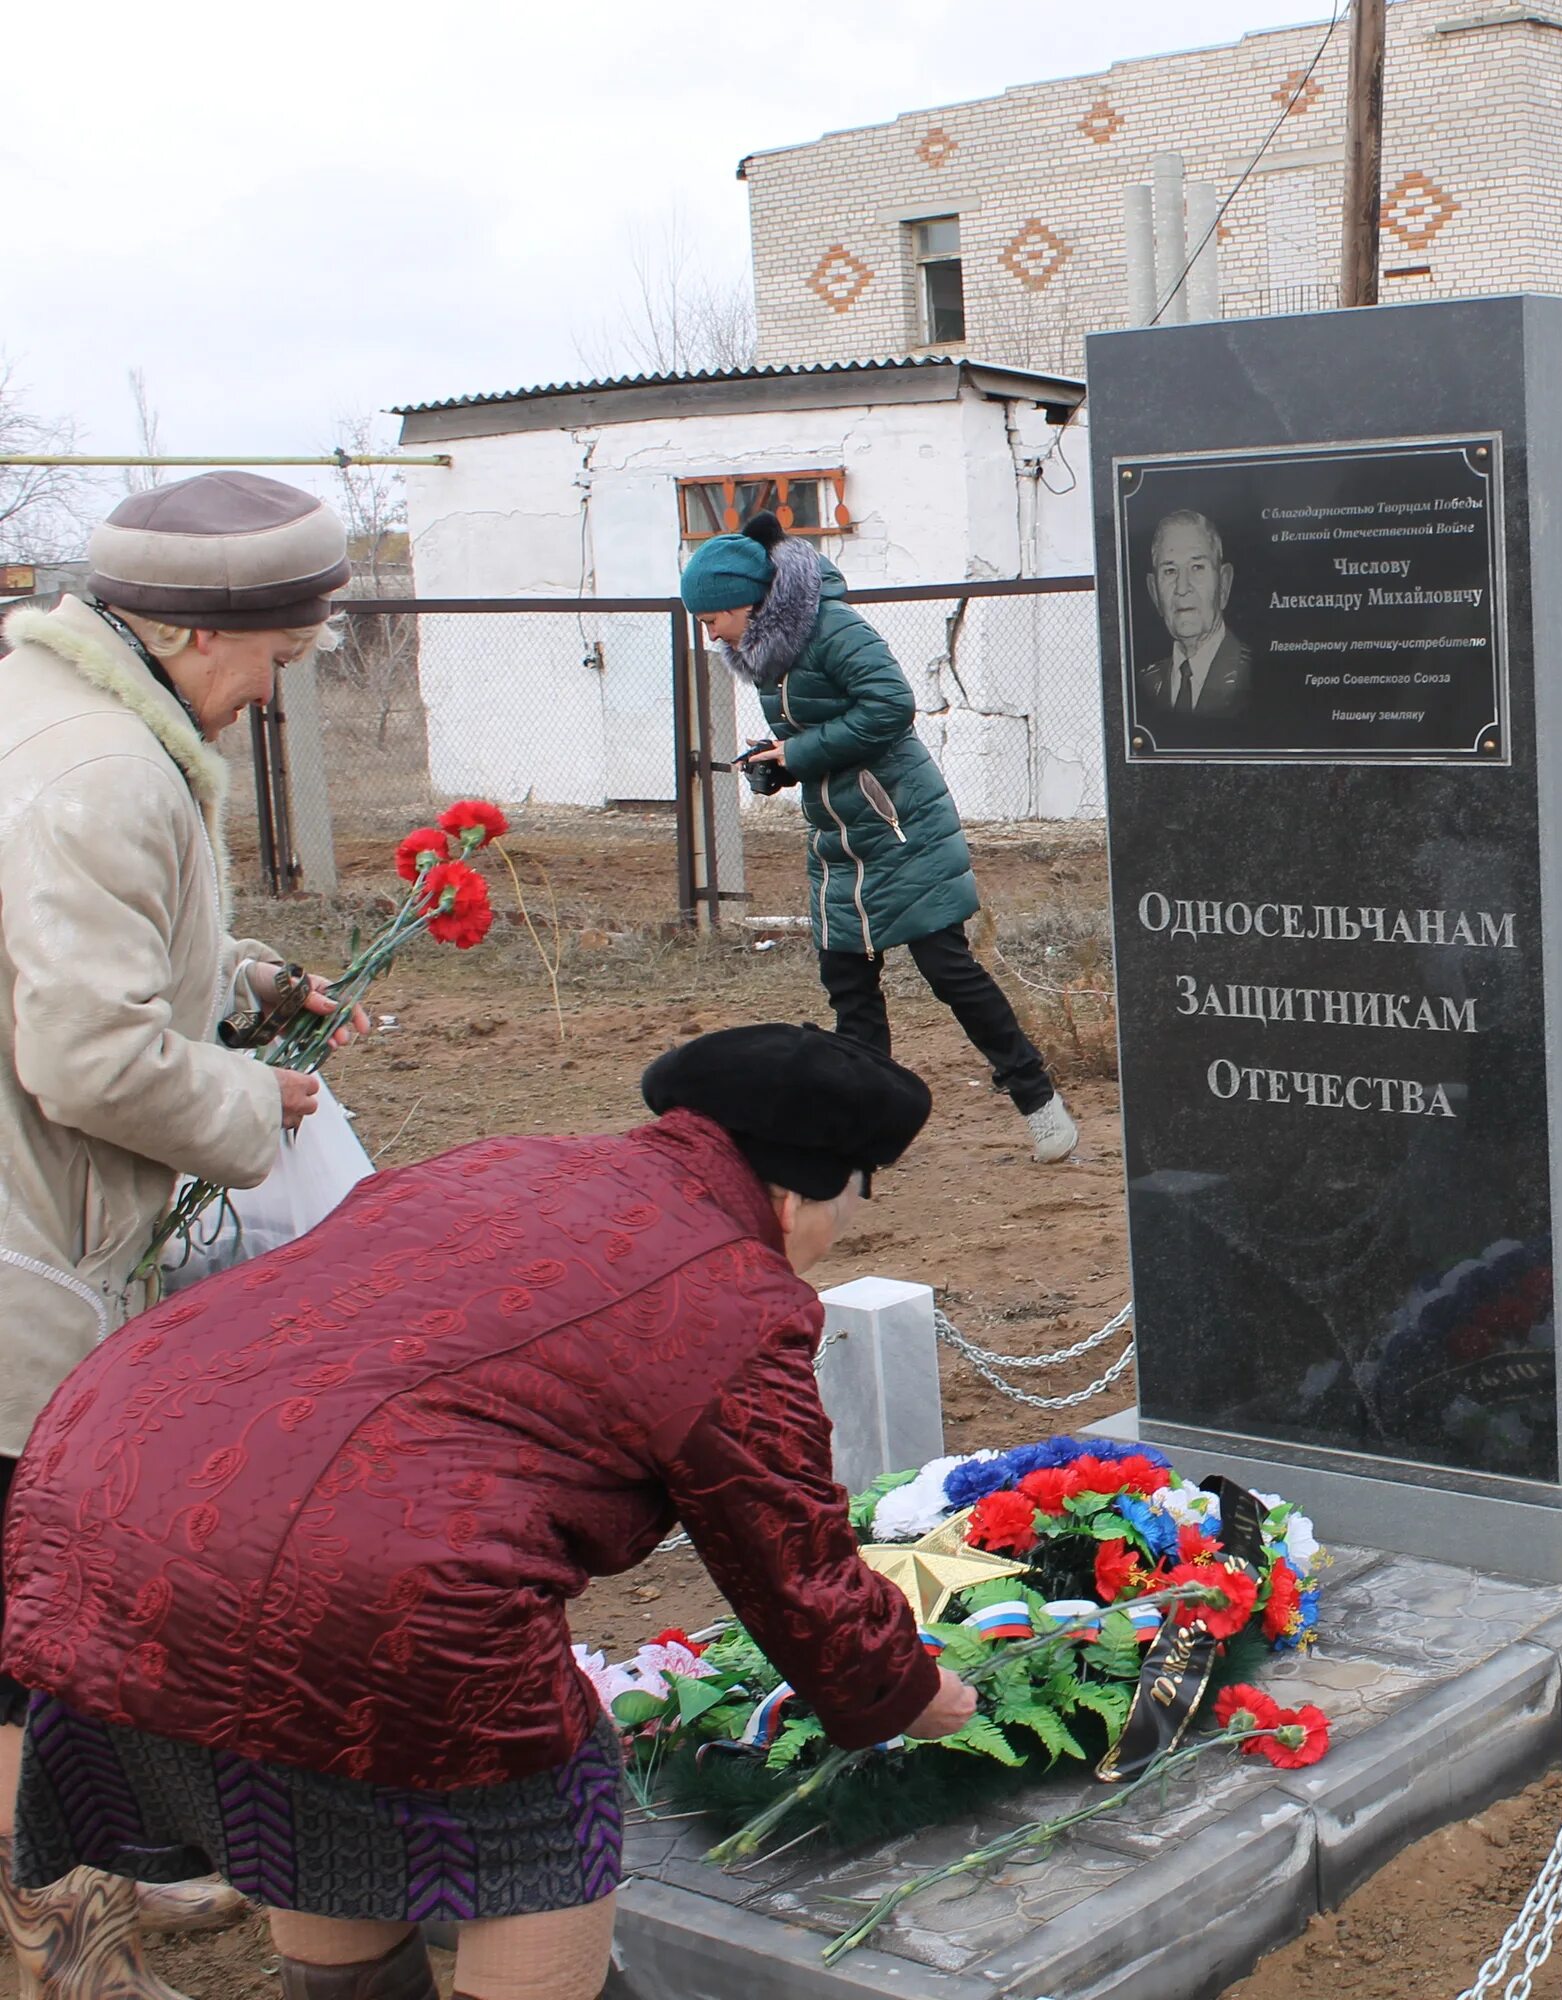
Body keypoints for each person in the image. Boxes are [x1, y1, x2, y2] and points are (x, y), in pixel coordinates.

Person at [1, 1024, 983, 2000]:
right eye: (857, 1199)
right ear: (802, 1185)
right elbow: (788, 1554)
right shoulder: (731, 1290)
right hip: (365, 1575)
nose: (842, 1232)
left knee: (307, 1757)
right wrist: (903, 1689)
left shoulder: (499, 1163)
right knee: (542, 1819)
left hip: (103, 1488)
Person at [0, 472, 369, 1984]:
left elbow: (76, 946)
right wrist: (253, 1103)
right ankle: (47, 1928)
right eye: (277, 658)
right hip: (22, 1244)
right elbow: (84, 1057)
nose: (271, 692)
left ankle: (105, 1861)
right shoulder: (108, 774)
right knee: (28, 1610)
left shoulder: (55, 710)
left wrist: (243, 976)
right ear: (193, 632)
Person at [680, 514, 1080, 1165]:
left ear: (743, 602)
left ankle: (1039, 1103)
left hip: (901, 824)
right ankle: (868, 1130)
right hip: (839, 842)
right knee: (849, 985)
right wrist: (777, 765)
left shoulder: (831, 628)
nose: (710, 632)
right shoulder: (767, 657)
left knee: (949, 972)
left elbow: (891, 707)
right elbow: (818, 739)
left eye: (710, 619)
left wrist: (801, 750)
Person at [1131, 510, 1256, 726]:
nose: (1182, 588)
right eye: (1170, 571)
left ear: (1224, 584)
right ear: (1154, 592)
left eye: (1197, 567)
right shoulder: (1145, 684)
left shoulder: (1252, 676)